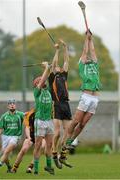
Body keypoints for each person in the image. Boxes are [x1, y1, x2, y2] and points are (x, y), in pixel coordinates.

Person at [65, 30, 101, 149]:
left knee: (83, 124)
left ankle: (71, 140)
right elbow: (85, 51)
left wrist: (90, 39)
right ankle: (66, 139)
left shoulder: (95, 64)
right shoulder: (82, 64)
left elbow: (92, 51)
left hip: (95, 99)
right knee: (75, 121)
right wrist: (86, 38)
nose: (89, 58)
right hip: (86, 97)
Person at [48, 39, 72, 169]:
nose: (58, 66)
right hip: (56, 104)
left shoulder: (64, 75)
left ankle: (62, 156)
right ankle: (54, 154)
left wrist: (65, 47)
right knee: (57, 133)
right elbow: (54, 64)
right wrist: (57, 50)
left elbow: (67, 61)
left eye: (59, 66)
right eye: (57, 66)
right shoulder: (52, 77)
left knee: (68, 132)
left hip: (66, 105)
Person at [33, 61, 54, 175]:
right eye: (39, 80)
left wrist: (48, 67)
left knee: (50, 145)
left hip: (49, 120)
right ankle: (36, 169)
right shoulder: (37, 92)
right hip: (40, 121)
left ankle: (49, 166)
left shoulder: (49, 90)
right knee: (38, 145)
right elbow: (44, 78)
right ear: (36, 84)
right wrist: (46, 67)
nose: (41, 80)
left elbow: (47, 75)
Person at [11, 108, 46, 173]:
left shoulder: (46, 113)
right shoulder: (30, 113)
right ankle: (15, 167)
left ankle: (30, 166)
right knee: (24, 149)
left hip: (41, 136)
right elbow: (27, 127)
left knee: (42, 146)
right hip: (31, 135)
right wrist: (29, 137)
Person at [0, 99, 30, 172]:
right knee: (5, 153)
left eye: (13, 103)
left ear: (15, 105)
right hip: (5, 136)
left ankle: (0, 163)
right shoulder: (4, 116)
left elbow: (27, 115)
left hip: (15, 137)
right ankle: (9, 167)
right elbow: (0, 128)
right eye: (10, 104)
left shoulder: (20, 114)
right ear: (8, 106)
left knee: (7, 151)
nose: (12, 105)